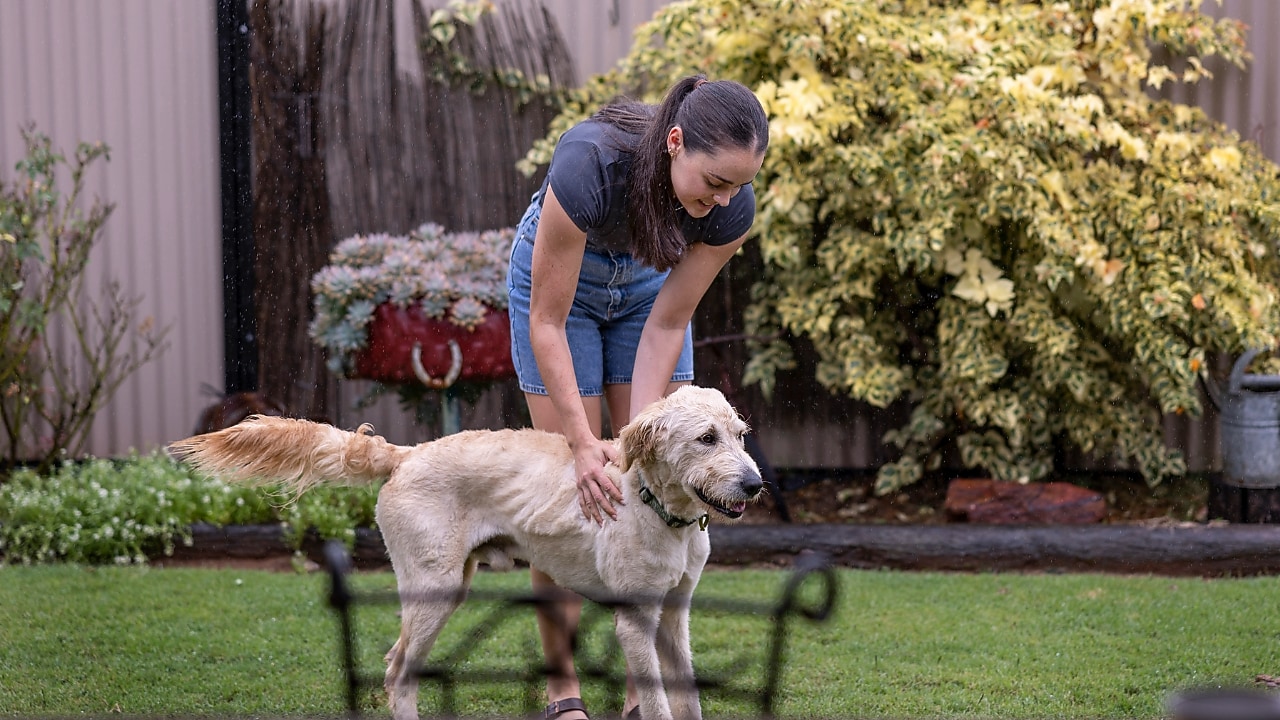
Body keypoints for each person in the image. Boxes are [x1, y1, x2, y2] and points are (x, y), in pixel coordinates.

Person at [506, 74, 769, 720]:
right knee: (575, 494)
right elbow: (547, 320)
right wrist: (582, 444)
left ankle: (637, 699)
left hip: (648, 300)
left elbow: (668, 324)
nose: (725, 199)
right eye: (713, 183)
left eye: (738, 185)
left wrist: (632, 443)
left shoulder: (730, 209)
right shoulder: (589, 165)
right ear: (675, 143)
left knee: (653, 484)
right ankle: (563, 695)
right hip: (562, 294)